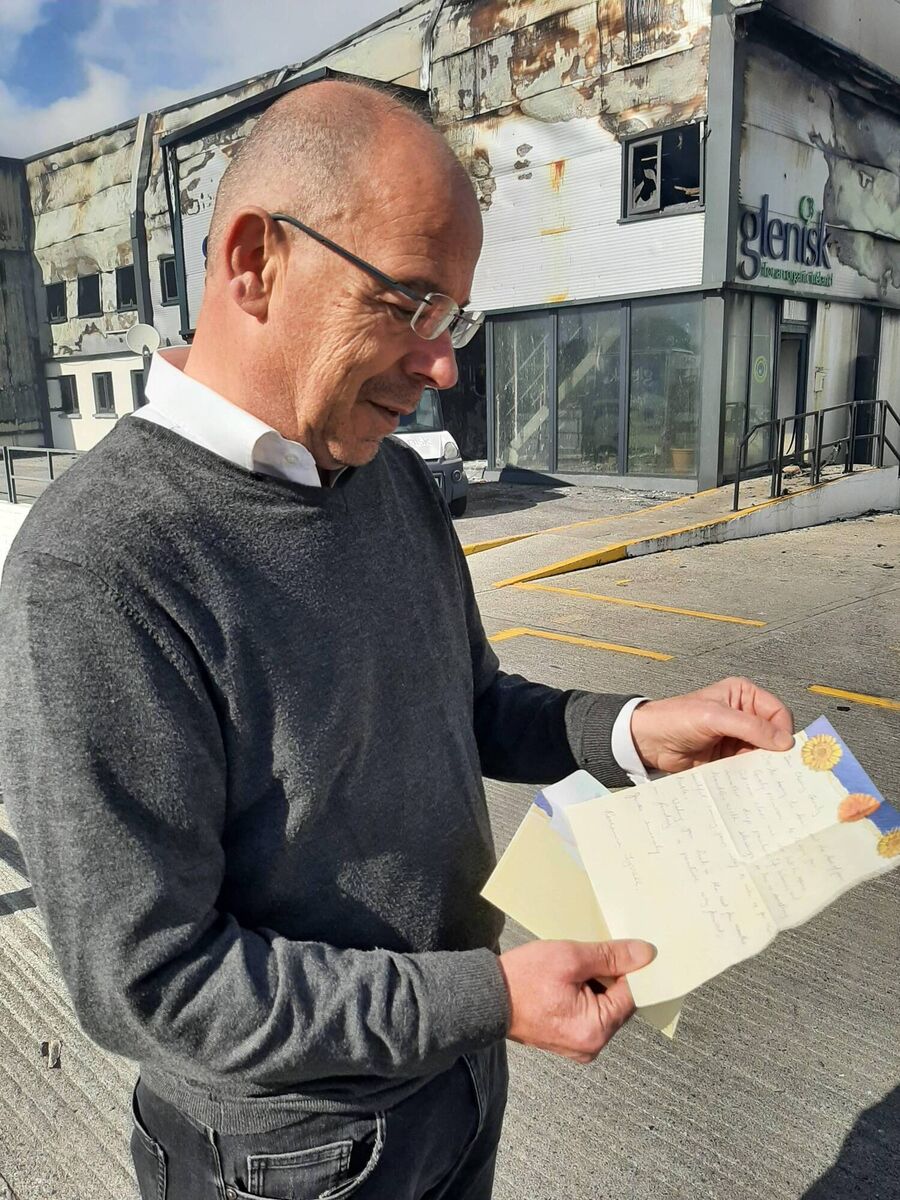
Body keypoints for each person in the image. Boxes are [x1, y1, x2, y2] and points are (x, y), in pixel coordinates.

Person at [0, 81, 793, 1200]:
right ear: (253, 261)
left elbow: (464, 703)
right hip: (288, 1157)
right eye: (410, 303)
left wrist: (631, 733)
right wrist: (490, 998)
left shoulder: (386, 481)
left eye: (453, 318)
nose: (444, 367)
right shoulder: (100, 564)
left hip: (456, 1084)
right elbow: (151, 980)